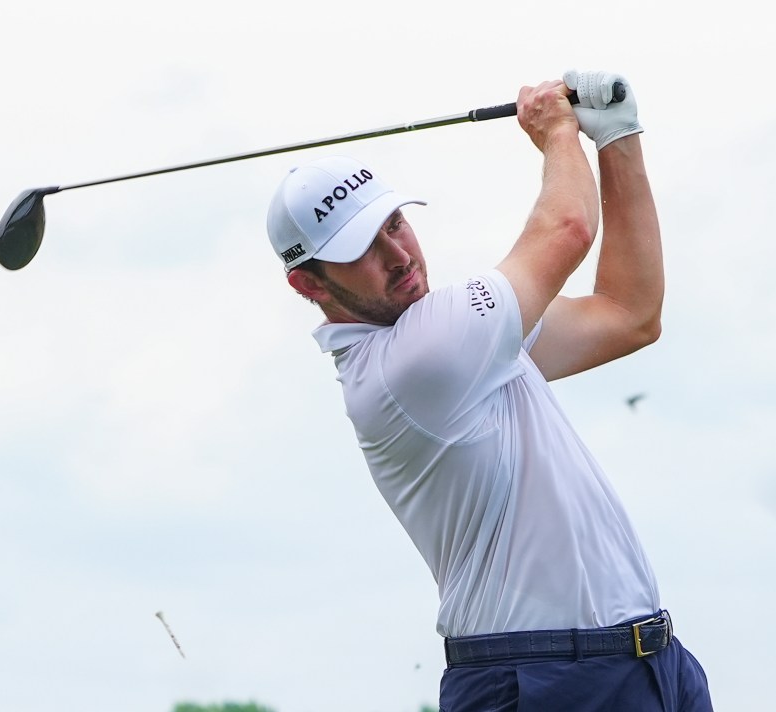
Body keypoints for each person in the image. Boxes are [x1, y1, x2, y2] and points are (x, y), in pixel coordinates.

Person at [266, 70, 712, 711]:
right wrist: (558, 130)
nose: (398, 254)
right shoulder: (420, 359)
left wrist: (618, 137)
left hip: (647, 663)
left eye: (395, 223)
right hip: (540, 677)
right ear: (310, 285)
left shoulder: (460, 342)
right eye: (363, 247)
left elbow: (629, 312)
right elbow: (566, 231)